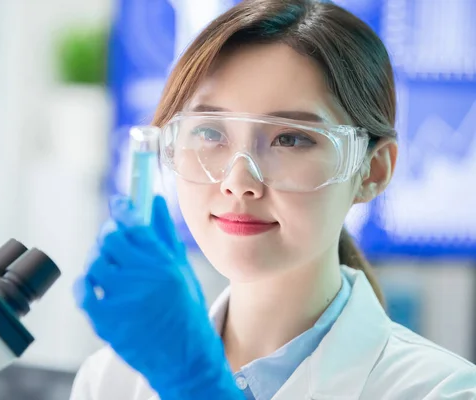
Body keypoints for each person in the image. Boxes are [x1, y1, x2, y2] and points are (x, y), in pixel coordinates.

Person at [70, 0, 476, 399]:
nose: (239, 181)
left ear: (372, 170)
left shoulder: (443, 390)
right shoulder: (111, 381)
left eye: (291, 139)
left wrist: (196, 384)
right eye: (210, 133)